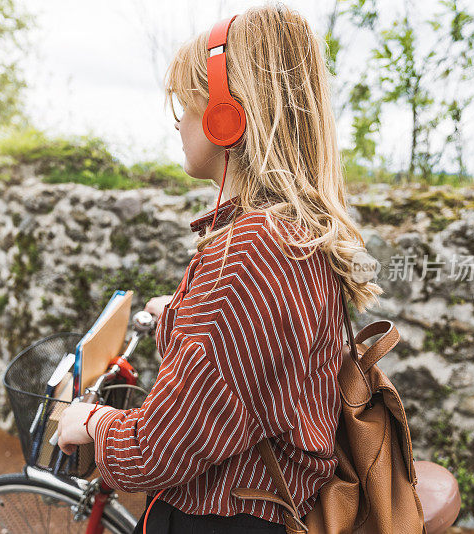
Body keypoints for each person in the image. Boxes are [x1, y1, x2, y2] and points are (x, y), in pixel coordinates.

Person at [56, 3, 383, 532]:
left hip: (225, 515)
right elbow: (247, 367)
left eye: (186, 105)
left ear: (226, 118)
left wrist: (91, 422)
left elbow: (159, 449)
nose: (177, 122)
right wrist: (180, 313)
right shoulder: (293, 232)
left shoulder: (250, 250)